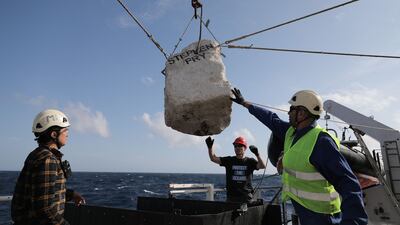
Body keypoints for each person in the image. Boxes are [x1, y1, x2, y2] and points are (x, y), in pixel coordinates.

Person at [230, 88, 368, 225]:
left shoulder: (321, 142)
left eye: (292, 109)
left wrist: (354, 222)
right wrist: (244, 103)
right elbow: (270, 119)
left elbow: (348, 183)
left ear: (301, 114)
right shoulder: (291, 132)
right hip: (305, 213)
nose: (289, 112)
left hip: (322, 218)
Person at [11, 109, 85, 225]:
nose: (67, 134)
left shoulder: (38, 154)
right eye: (65, 130)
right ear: (54, 134)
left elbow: (42, 191)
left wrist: (71, 194)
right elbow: (44, 209)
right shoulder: (48, 159)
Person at [206, 136, 266, 203]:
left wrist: (257, 154)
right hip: (231, 198)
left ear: (245, 148)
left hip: (246, 198)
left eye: (240, 145)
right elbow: (213, 158)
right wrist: (210, 147)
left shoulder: (250, 161)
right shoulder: (229, 160)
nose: (237, 148)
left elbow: (262, 166)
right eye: (235, 146)